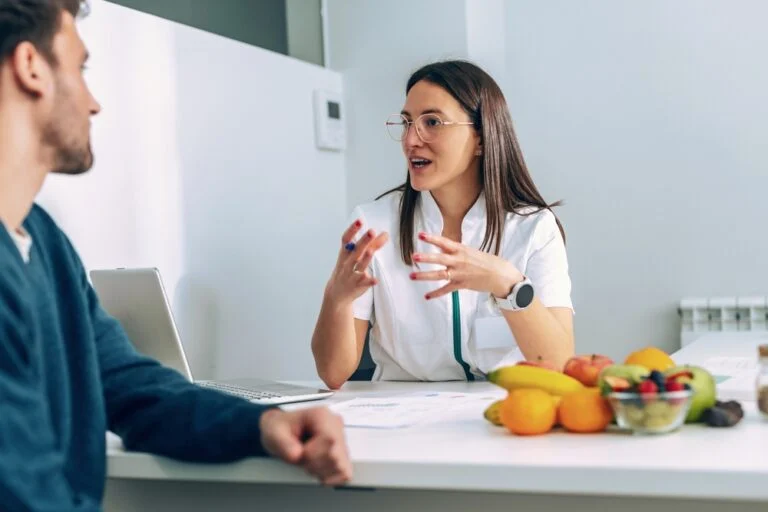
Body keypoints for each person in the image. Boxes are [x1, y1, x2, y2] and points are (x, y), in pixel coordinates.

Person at [0, 1, 351, 509]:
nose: (94, 103)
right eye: (81, 68)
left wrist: (264, 424)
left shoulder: (42, 240)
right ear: (31, 67)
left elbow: (133, 388)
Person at [312, 60, 575, 389]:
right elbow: (333, 374)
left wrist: (506, 283)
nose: (410, 140)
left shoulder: (534, 227)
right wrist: (335, 300)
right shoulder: (373, 225)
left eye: (432, 122)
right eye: (407, 123)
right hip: (400, 419)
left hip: (507, 415)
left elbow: (559, 364)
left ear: (481, 137)